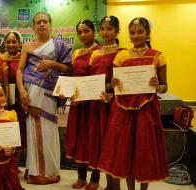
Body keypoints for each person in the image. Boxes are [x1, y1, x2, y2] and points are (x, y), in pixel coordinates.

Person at [97, 17, 169, 190]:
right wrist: (114, 84)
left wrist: (157, 86)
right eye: (132, 32)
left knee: (144, 150)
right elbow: (117, 84)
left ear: (148, 33)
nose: (136, 36)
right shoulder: (121, 56)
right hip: (122, 110)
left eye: (140, 32)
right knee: (125, 151)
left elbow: (165, 87)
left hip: (146, 109)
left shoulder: (158, 56)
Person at [16, 12, 72, 184]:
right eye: (38, 22)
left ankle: (50, 171)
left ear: (50, 24)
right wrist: (21, 91)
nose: (41, 24)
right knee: (34, 132)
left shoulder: (58, 45)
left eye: (44, 21)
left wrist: (53, 64)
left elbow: (68, 69)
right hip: (31, 95)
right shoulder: (27, 46)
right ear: (34, 26)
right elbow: (19, 70)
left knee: (49, 133)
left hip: (49, 96)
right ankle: (35, 171)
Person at [85, 16, 124, 190]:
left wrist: (110, 91)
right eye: (102, 28)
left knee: (114, 144)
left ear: (117, 31)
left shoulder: (123, 53)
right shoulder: (95, 53)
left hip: (114, 105)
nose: (105, 32)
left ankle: (116, 184)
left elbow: (123, 82)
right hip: (97, 104)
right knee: (101, 144)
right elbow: (91, 78)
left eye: (109, 28)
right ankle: (108, 185)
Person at [64, 19, 101, 189]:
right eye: (80, 32)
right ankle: (81, 176)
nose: (83, 35)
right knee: (79, 137)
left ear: (94, 32)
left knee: (93, 138)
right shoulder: (76, 53)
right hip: (78, 102)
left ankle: (95, 178)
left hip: (94, 103)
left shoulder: (101, 52)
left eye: (86, 31)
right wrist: (66, 91)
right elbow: (73, 76)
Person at [0, 31, 26, 149]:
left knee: (18, 128)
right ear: (5, 44)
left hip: (20, 98)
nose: (11, 44)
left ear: (19, 43)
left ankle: (15, 164)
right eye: (8, 42)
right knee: (5, 128)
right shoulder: (0, 58)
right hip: (3, 98)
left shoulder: (24, 57)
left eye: (14, 42)